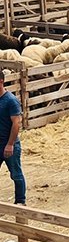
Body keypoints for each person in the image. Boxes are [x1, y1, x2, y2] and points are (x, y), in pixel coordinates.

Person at [0, 70, 25, 206]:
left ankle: (20, 202)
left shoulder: (11, 100)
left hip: (9, 144)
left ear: (1, 82)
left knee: (16, 174)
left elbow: (16, 123)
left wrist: (10, 144)